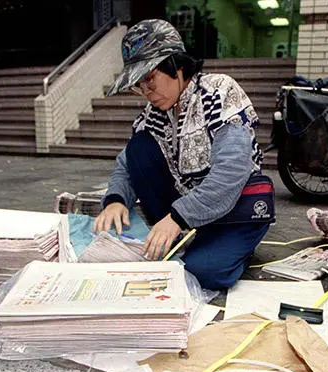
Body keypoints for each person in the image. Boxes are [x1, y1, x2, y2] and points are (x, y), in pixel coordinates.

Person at [93, 19, 273, 290]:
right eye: (139, 85)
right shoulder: (153, 114)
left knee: (204, 273)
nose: (147, 92)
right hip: (187, 212)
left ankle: (231, 247)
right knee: (139, 146)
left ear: (175, 64)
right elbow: (126, 163)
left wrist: (177, 218)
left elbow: (231, 172)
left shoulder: (218, 92)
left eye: (150, 79)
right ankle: (184, 237)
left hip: (235, 209)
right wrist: (116, 199)